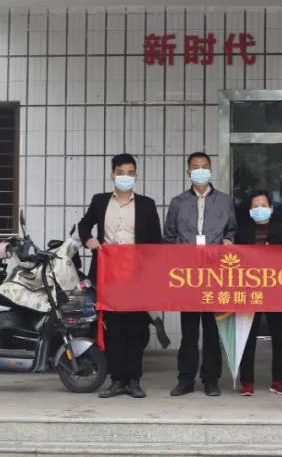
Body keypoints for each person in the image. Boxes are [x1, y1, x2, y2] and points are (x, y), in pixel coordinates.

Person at [78, 153, 163, 399]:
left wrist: (153, 272)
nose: (126, 177)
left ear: (136, 176)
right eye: (121, 172)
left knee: (136, 329)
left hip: (137, 275)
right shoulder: (100, 201)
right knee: (113, 329)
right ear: (112, 175)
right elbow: (84, 224)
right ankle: (116, 380)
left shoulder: (147, 204)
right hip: (108, 273)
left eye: (130, 173)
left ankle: (134, 380)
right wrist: (88, 239)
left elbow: (156, 242)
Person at [165, 151, 237, 398]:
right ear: (188, 172)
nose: (200, 171)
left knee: (212, 330)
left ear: (211, 170)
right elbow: (169, 236)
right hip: (187, 275)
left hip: (215, 275)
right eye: (195, 167)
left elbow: (232, 230)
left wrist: (228, 240)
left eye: (204, 167)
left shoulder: (225, 201)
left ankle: (211, 380)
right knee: (189, 332)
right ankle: (185, 379)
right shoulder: (178, 202)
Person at [236, 189, 282, 398]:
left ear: (271, 208)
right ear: (250, 210)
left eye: (263, 205)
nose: (259, 209)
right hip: (250, 290)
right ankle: (247, 382)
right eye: (255, 206)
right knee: (248, 336)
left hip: (276, 290)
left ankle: (278, 380)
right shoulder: (242, 232)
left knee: (279, 336)